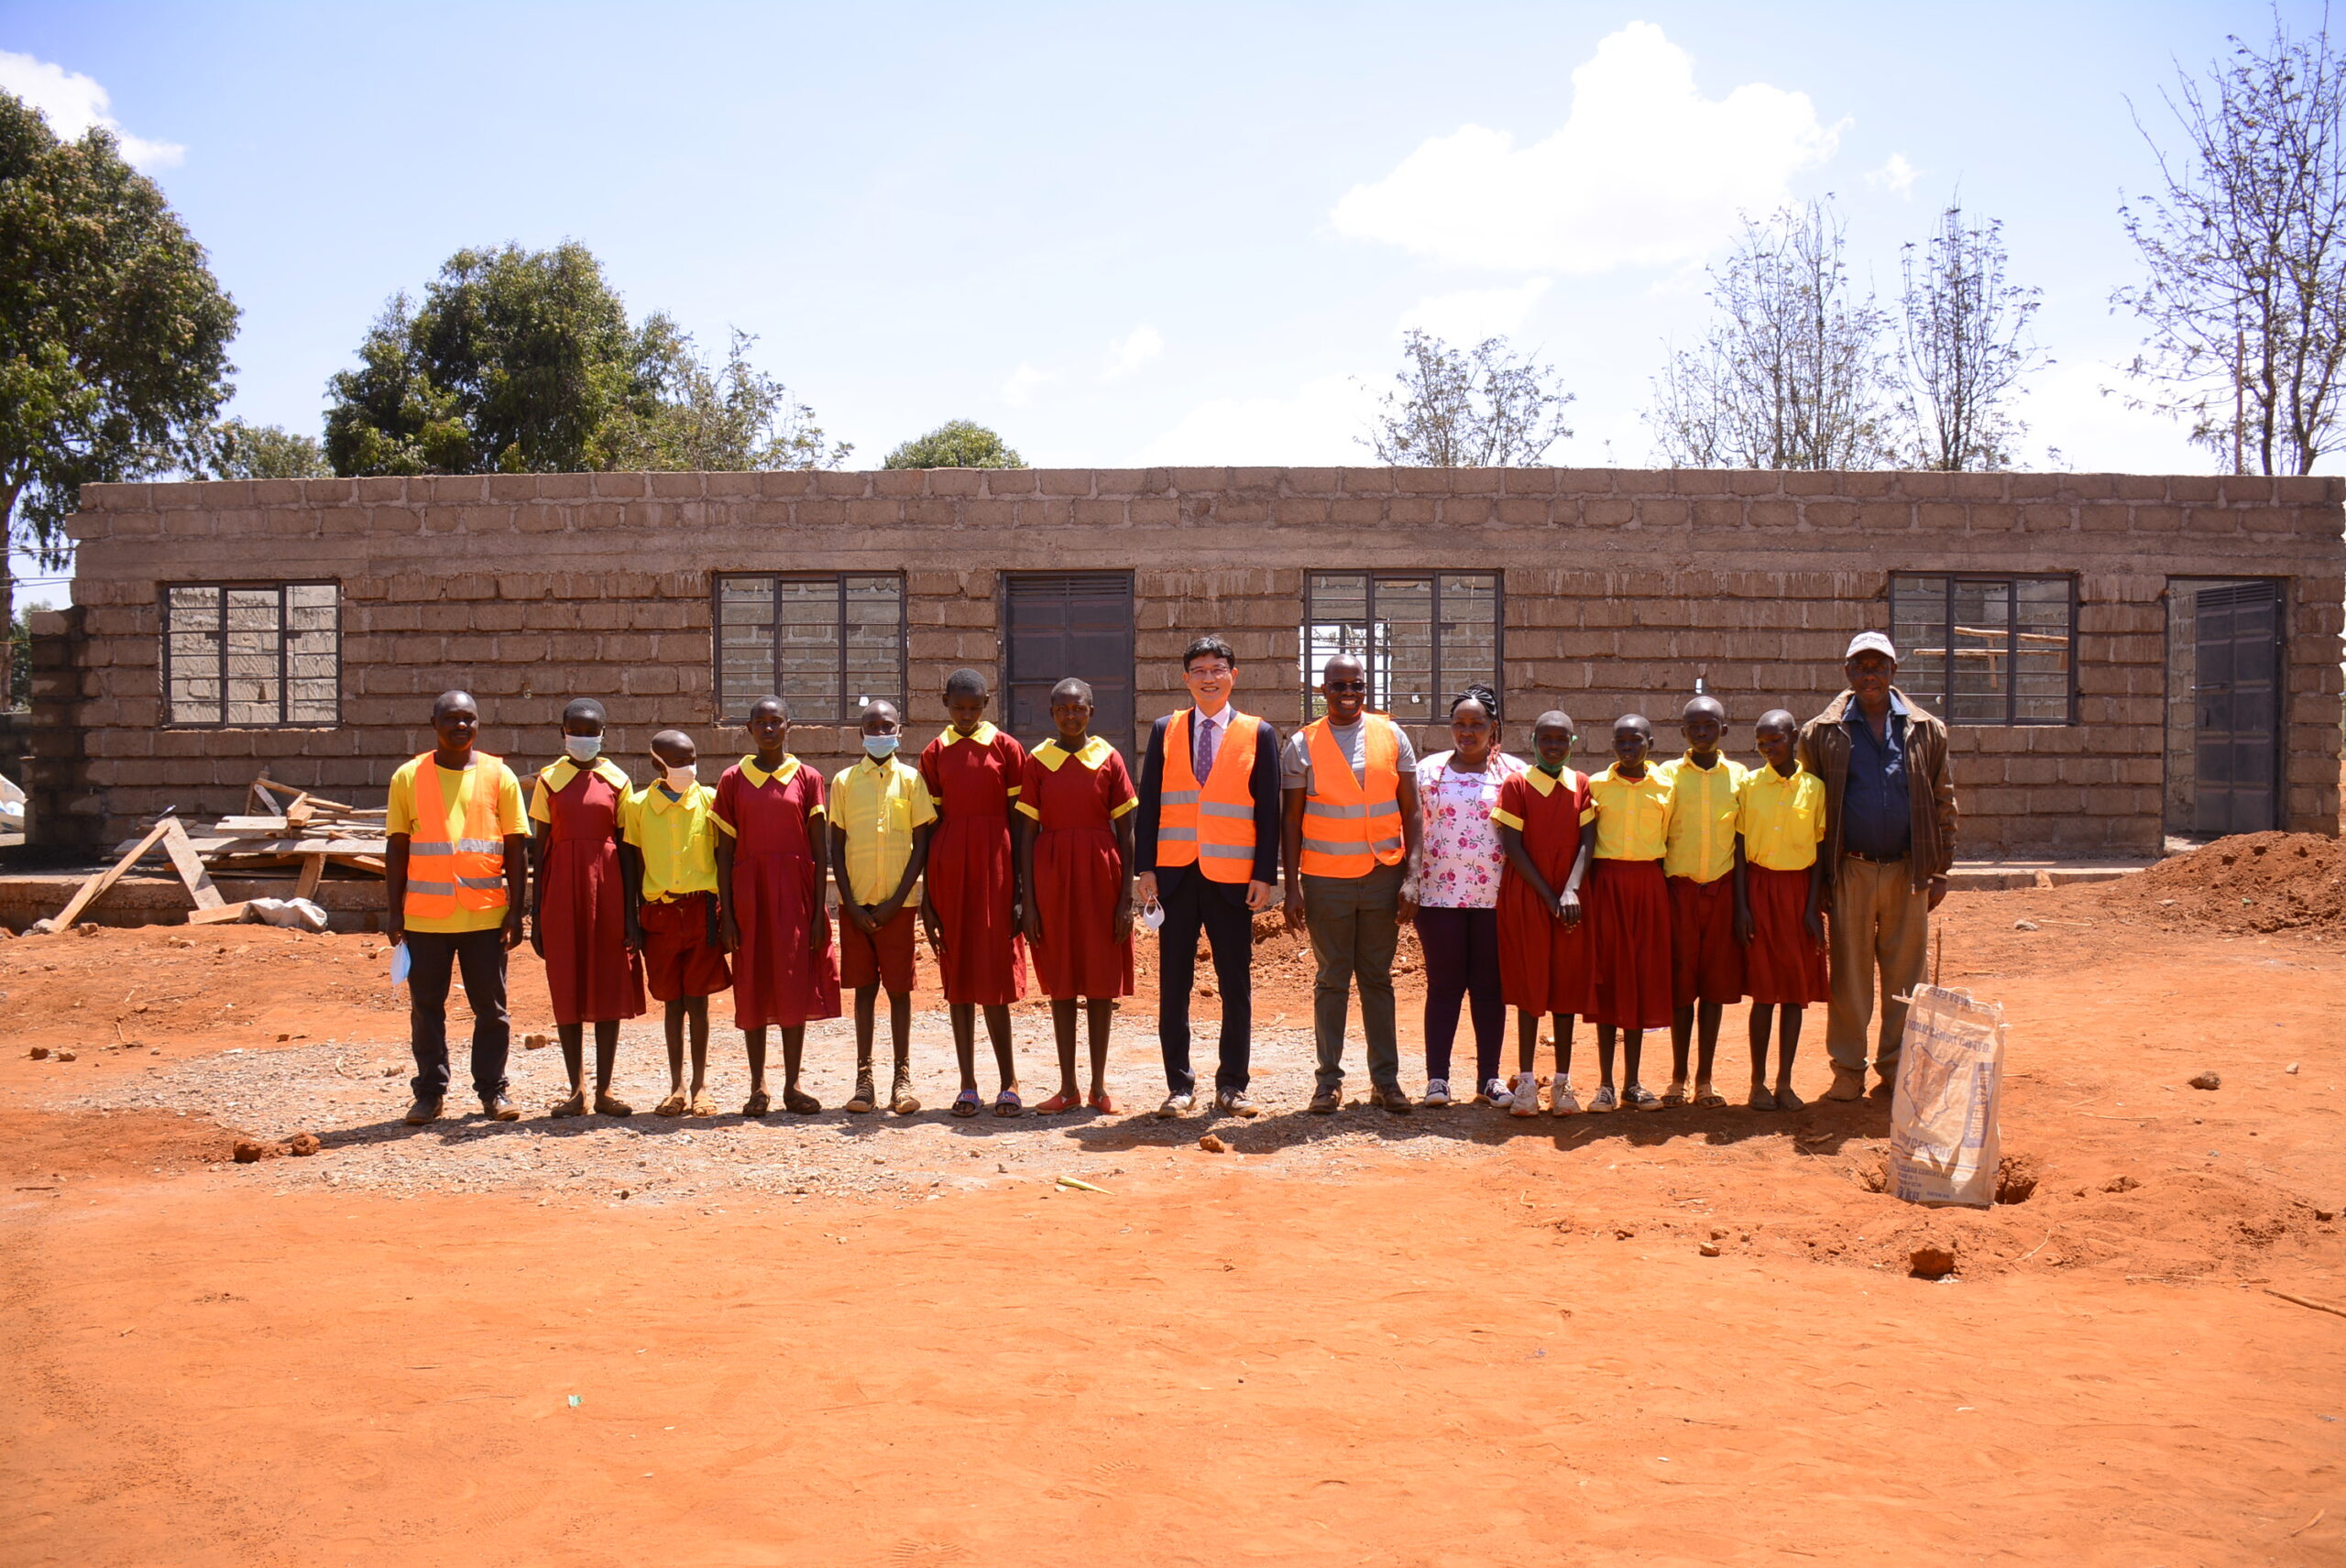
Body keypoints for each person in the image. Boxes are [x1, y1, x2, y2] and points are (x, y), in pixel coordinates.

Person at [1797, 631, 1958, 1102]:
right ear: (1847, 672)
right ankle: (1848, 1071)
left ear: (1894, 672)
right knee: (1848, 976)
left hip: (1909, 870)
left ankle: (1895, 1071)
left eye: (1879, 665)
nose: (1870, 674)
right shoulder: (1821, 732)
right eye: (1861, 666)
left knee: (1906, 977)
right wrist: (1819, 879)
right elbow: (1808, 809)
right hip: (1849, 869)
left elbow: (1944, 799)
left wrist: (1941, 869)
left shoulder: (1927, 729)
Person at [1132, 635, 1281, 1119]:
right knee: (1173, 985)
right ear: (1186, 679)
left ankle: (1232, 1085)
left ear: (1233, 676)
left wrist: (1264, 874)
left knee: (1234, 984)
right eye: (1200, 669)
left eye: (1218, 668)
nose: (1209, 677)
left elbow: (1270, 811)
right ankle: (1179, 1086)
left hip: (1233, 879)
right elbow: (1150, 801)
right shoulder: (1165, 730)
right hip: (1174, 877)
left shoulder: (1258, 733)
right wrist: (1146, 868)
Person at [1282, 652, 1422, 1115]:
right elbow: (1291, 821)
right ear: (1322, 691)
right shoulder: (1302, 745)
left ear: (1367, 688)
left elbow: (1412, 811)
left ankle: (1386, 1081)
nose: (1348, 694)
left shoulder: (1391, 735)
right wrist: (1294, 888)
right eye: (1338, 686)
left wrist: (1412, 876)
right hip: (1326, 882)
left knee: (1377, 980)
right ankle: (1328, 1083)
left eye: (1356, 686)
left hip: (1383, 877)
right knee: (1332, 980)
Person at [384, 690, 530, 1126]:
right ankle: (429, 1094)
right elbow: (397, 847)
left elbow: (516, 847)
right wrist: (394, 912)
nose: (461, 726)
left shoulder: (498, 775)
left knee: (492, 1011)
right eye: (451, 719)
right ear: (434, 724)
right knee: (427, 1008)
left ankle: (493, 1092)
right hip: (426, 917)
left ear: (478, 725)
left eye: (469, 719)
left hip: (485, 915)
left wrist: (516, 910)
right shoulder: (408, 777)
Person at [714, 695, 841, 1116]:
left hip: (795, 893)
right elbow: (724, 853)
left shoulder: (807, 777)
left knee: (790, 982)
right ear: (748, 729)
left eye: (776, 722)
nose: (768, 729)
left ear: (790, 727)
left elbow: (820, 850)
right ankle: (758, 1086)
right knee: (753, 981)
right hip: (749, 893)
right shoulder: (733, 779)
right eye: (760, 722)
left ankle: (792, 1084)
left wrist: (820, 909)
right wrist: (727, 913)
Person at [1016, 678, 1137, 1114]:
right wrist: (1028, 902)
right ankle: (1067, 1086)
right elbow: (1026, 833)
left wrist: (1127, 899)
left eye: (1079, 709)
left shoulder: (1109, 758)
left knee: (1101, 982)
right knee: (1063, 982)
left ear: (1091, 711)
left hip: (1101, 878)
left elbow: (1126, 832)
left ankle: (1099, 1087)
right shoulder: (1037, 763)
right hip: (1052, 878)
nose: (1071, 716)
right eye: (1063, 709)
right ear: (1052, 714)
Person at [918, 668, 1030, 1117]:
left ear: (988, 703)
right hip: (950, 869)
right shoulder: (935, 752)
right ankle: (967, 1083)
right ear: (944, 701)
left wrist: (1021, 888)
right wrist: (928, 897)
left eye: (975, 707)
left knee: (996, 975)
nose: (966, 715)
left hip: (997, 867)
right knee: (959, 976)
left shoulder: (1007, 748)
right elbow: (929, 827)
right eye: (958, 707)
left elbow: (1021, 821)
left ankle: (1009, 1080)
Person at [529, 697, 646, 1117]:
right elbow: (538, 849)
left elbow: (629, 850)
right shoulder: (548, 781)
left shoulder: (618, 781)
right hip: (561, 890)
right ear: (562, 732)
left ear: (603, 734)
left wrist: (632, 913)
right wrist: (537, 915)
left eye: (590, 732)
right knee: (569, 983)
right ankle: (575, 1089)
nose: (583, 738)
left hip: (609, 888)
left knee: (606, 983)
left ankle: (605, 1090)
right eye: (575, 731)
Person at [1411, 684, 1526, 1109]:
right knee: (1443, 986)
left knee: (1488, 988)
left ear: (1493, 728)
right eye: (1459, 723)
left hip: (1496, 899)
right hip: (1438, 897)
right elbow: (1414, 828)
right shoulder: (1429, 771)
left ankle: (1489, 1078)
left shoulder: (1513, 774)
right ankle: (1437, 1079)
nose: (1467, 731)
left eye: (1477, 724)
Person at [830, 698, 936, 1116]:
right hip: (857, 906)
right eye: (871, 728)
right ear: (861, 734)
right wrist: (850, 902)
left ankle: (901, 1078)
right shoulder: (843, 782)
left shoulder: (911, 781)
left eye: (886, 726)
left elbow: (921, 845)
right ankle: (864, 1079)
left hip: (899, 905)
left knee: (899, 990)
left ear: (899, 731)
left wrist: (896, 901)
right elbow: (836, 846)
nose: (879, 734)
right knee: (864, 990)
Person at [622, 729, 732, 1118]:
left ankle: (702, 1085)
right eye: (678, 761)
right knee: (672, 1003)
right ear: (657, 764)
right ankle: (676, 1085)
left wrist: (727, 916)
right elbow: (633, 866)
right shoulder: (637, 807)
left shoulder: (710, 800)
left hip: (701, 911)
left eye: (691, 759)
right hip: (660, 914)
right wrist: (632, 919)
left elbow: (723, 859)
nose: (688, 767)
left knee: (698, 1002)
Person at [1494, 708, 1596, 1118]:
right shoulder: (1517, 784)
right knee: (1530, 987)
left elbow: (1588, 841)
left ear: (1573, 744)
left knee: (1566, 988)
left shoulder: (1582, 785)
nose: (1553, 746)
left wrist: (1570, 890)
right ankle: (1525, 1081)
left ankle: (1562, 1081)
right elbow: (1513, 848)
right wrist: (1550, 897)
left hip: (1570, 899)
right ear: (1533, 741)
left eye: (1561, 739)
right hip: (1529, 896)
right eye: (1546, 739)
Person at [1655, 696, 1748, 1110]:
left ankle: (1706, 1080)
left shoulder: (1741, 778)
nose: (1703, 734)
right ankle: (1678, 1077)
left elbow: (1742, 846)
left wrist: (1742, 904)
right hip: (1679, 893)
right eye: (1695, 728)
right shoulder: (1668, 776)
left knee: (1713, 986)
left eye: (1711, 727)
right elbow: (1657, 837)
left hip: (1722, 893)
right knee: (1680, 985)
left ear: (1724, 731)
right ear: (1684, 733)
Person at [1735, 709, 1829, 1111]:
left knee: (1794, 993)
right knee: (1764, 993)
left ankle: (1785, 1083)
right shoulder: (1750, 786)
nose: (1768, 749)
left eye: (1774, 741)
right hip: (1759, 890)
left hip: (1798, 894)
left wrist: (1812, 909)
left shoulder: (1814, 788)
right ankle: (1757, 1084)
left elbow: (1820, 854)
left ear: (1792, 738)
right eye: (1761, 743)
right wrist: (1742, 906)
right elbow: (1738, 852)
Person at [1585, 714, 1674, 1113]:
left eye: (1635, 740)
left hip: (1648, 885)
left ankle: (1633, 1083)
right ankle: (1604, 1083)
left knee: (1639, 978)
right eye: (1620, 740)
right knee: (1609, 979)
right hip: (1607, 885)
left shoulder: (1666, 787)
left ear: (1649, 743)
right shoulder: (1596, 785)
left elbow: (1669, 836)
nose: (1627, 747)